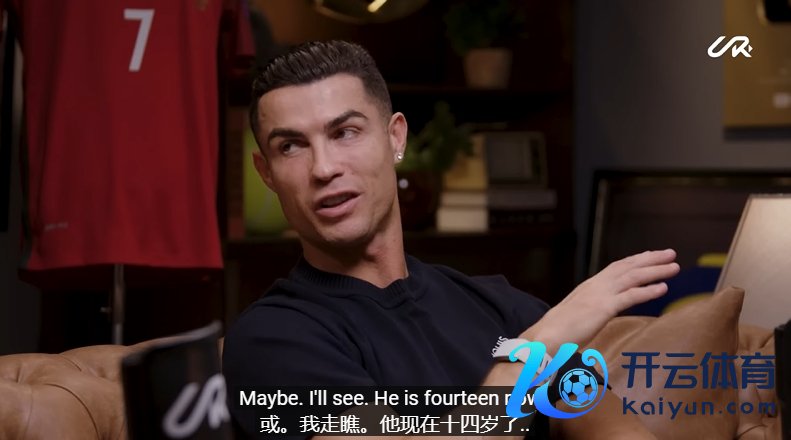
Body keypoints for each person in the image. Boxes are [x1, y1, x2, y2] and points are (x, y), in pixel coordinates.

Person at [223, 40, 680, 439]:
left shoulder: (499, 306)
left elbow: (612, 426)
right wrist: (537, 348)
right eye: (290, 146)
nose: (324, 168)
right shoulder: (270, 341)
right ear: (267, 173)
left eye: (345, 132)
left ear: (395, 138)